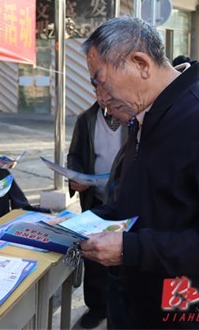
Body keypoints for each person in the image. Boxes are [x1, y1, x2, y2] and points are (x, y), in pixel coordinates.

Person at [79, 16, 199, 329]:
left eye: (101, 83)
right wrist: (84, 224)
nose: (100, 99)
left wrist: (132, 248)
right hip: (138, 305)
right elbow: (143, 199)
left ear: (141, 63)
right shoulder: (145, 115)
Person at [66, 96, 126, 329]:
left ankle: (118, 305)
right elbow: (74, 156)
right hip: (96, 199)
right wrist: (76, 177)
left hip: (124, 200)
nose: (104, 93)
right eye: (98, 87)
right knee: (93, 254)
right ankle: (96, 306)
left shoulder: (132, 116)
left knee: (121, 255)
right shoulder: (86, 120)